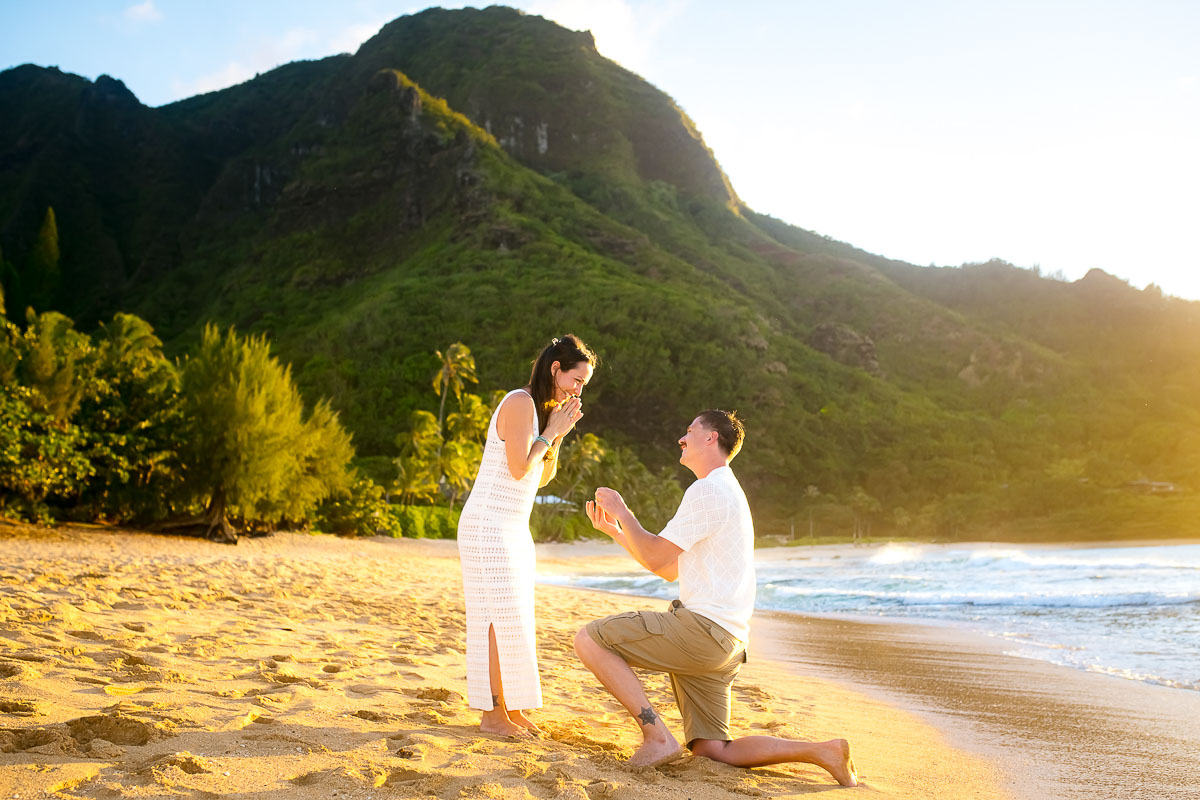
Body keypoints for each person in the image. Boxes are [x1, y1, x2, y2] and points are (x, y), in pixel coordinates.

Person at [576, 410, 857, 786]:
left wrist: (623, 511)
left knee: (589, 639)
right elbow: (668, 568)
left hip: (702, 633)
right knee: (712, 749)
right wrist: (616, 531)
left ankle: (656, 737)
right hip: (727, 643)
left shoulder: (707, 490)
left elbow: (657, 557)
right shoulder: (727, 490)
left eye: (690, 431)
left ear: (711, 438)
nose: (681, 438)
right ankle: (824, 751)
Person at [458, 335, 597, 737]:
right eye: (576, 380)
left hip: (513, 527)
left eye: (584, 384)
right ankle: (492, 715)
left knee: (513, 617)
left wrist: (559, 433)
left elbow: (542, 477)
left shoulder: (541, 412)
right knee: (493, 620)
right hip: (488, 525)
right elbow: (519, 468)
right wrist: (550, 431)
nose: (579, 390)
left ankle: (512, 709)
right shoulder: (520, 402)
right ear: (555, 368)